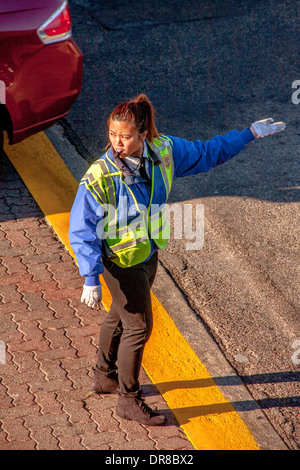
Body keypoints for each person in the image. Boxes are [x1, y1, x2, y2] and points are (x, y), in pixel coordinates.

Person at [69, 94, 285, 426]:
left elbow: (208, 153)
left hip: (148, 251)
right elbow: (81, 226)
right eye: (112, 135)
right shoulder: (100, 176)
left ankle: (103, 376)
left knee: (120, 314)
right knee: (139, 327)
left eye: (124, 136)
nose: (116, 143)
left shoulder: (164, 152)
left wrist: (249, 134)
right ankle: (128, 400)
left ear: (143, 135)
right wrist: (90, 276)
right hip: (118, 259)